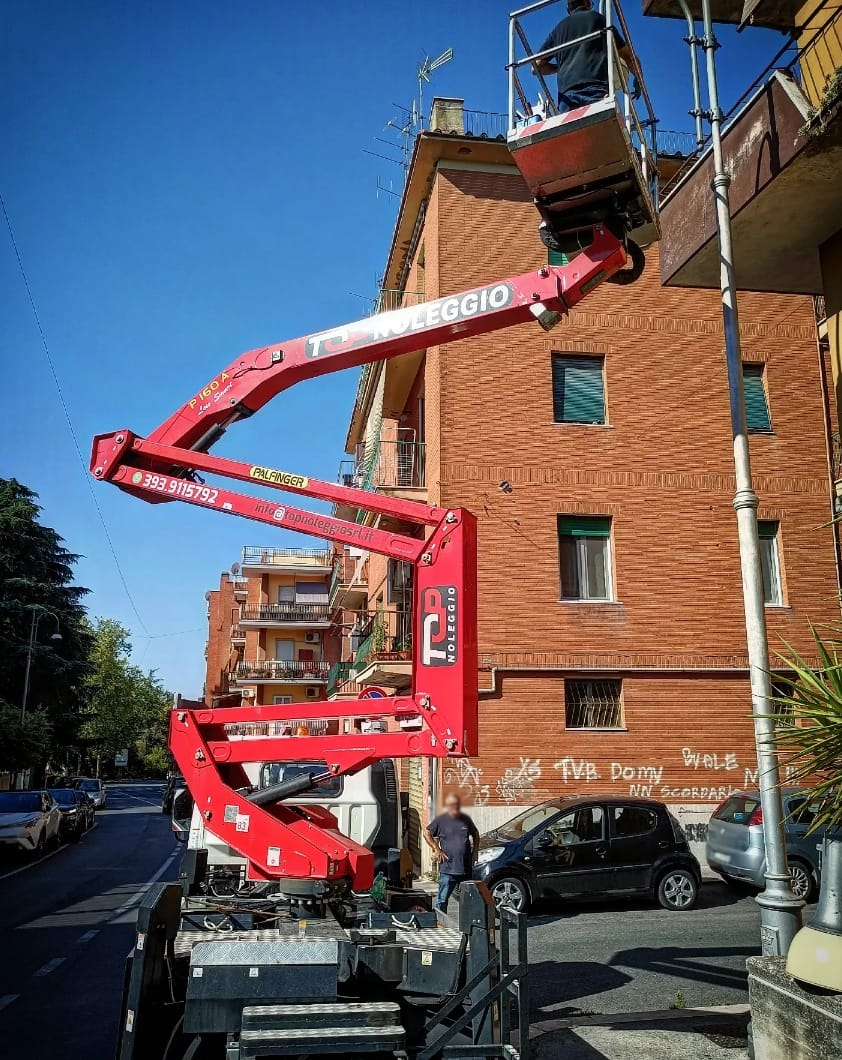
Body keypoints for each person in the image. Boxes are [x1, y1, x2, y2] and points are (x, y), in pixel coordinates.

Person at [534, 0, 642, 113]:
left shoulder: (557, 31)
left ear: (568, 9)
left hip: (567, 98)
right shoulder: (598, 19)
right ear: (587, 3)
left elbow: (536, 66)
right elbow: (628, 56)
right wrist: (638, 79)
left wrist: (560, 67)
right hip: (595, 89)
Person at [424, 792, 480, 913]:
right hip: (448, 868)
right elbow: (427, 833)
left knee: (468, 899)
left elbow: (476, 834)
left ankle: (467, 925)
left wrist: (475, 853)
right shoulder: (441, 820)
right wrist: (436, 849)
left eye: (457, 804)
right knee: (442, 899)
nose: (455, 807)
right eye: (452, 805)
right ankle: (440, 923)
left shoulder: (465, 819)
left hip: (465, 868)